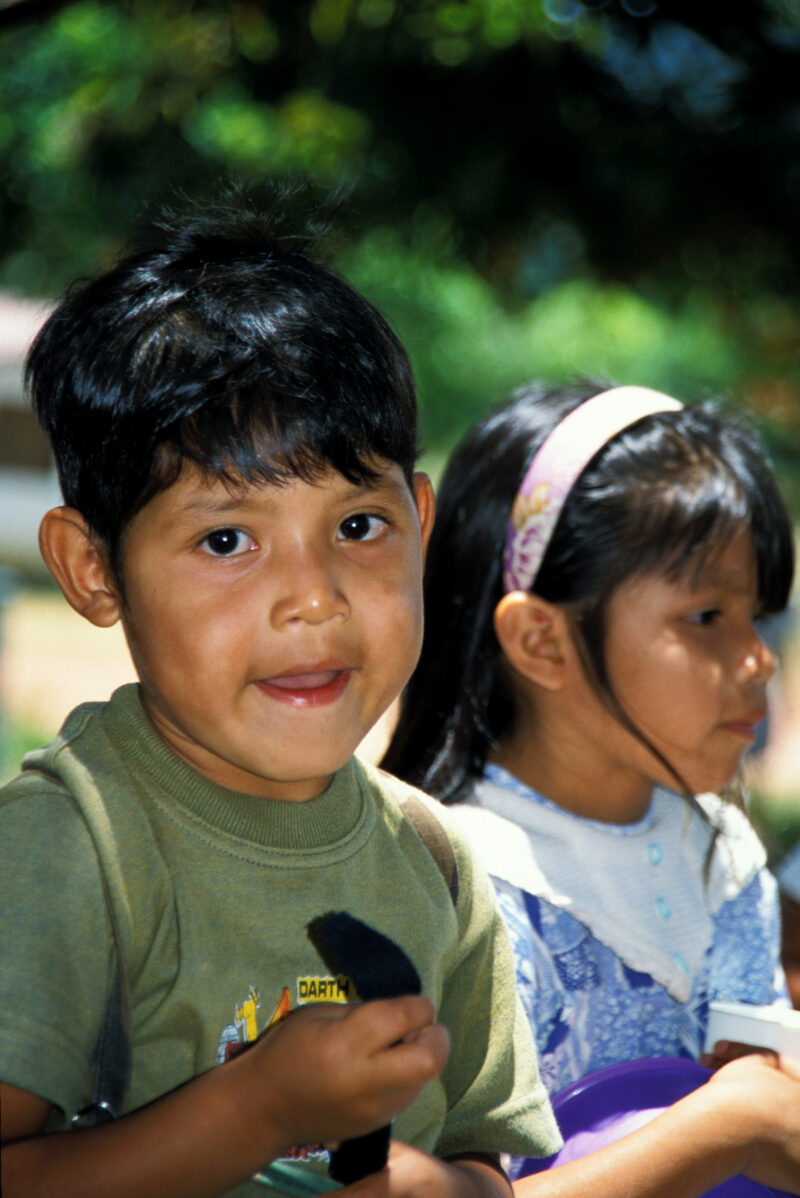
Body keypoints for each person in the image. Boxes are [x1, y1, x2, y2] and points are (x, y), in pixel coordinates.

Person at [0, 191, 562, 1198]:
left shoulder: (433, 862)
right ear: (92, 570)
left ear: (419, 522)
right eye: (226, 540)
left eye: (356, 526)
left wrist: (442, 1185)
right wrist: (255, 1108)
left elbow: (487, 1159)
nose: (312, 598)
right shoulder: (69, 844)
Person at [384, 380, 800, 1192]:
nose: (760, 660)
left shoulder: (721, 854)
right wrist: (730, 1129)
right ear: (541, 640)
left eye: (760, 616)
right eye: (707, 616)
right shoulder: (457, 886)